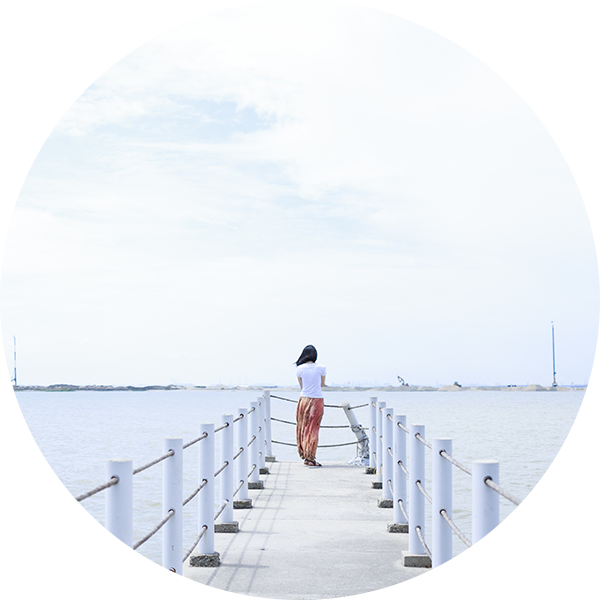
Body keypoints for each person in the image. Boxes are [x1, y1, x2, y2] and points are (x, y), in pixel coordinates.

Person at [295, 344, 326, 467]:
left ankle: (305, 456)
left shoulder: (300, 369)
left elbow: (302, 386)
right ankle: (311, 458)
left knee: (302, 427)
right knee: (313, 429)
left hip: (303, 400)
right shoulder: (321, 368)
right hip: (317, 400)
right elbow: (321, 385)